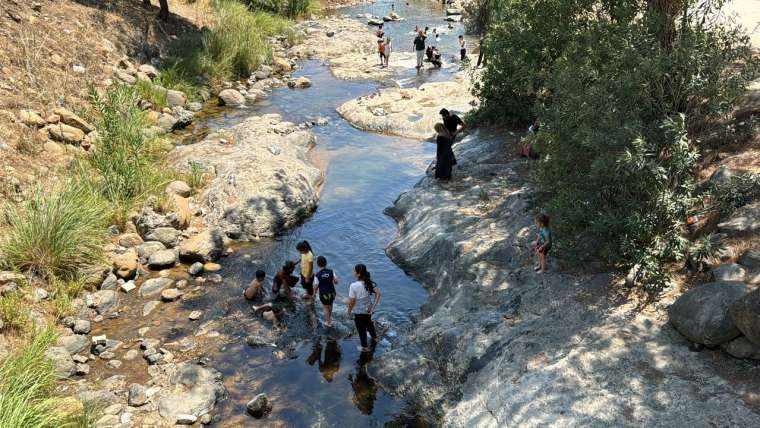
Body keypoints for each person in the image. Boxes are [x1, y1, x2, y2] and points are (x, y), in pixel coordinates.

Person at [347, 264, 380, 353]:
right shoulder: (369, 282)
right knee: (369, 323)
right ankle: (375, 338)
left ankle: (365, 347)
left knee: (361, 330)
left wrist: (349, 311)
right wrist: (373, 307)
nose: (352, 272)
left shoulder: (353, 286)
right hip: (368, 309)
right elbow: (378, 293)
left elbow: (352, 302)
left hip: (359, 312)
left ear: (358, 274)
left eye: (354, 271)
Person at [315, 256, 338, 327]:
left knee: (325, 307)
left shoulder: (317, 275)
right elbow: (336, 281)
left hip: (324, 294)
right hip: (332, 292)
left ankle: (328, 322)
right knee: (330, 305)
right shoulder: (331, 271)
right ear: (326, 263)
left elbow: (316, 286)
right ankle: (330, 318)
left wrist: (314, 294)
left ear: (318, 264)